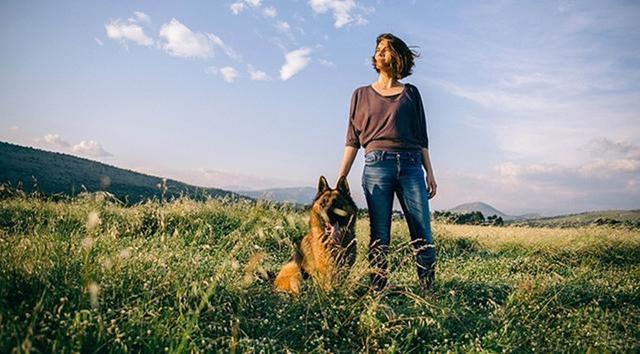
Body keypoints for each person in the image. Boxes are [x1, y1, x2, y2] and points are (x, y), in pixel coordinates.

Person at [337, 33, 438, 295]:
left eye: (386, 49)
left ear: (398, 56)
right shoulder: (359, 94)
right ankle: (377, 290)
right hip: (376, 166)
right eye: (377, 49)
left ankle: (428, 290)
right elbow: (352, 140)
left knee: (422, 232)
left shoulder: (412, 94)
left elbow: (422, 136)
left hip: (412, 166)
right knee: (380, 235)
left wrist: (430, 172)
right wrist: (341, 178)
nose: (379, 53)